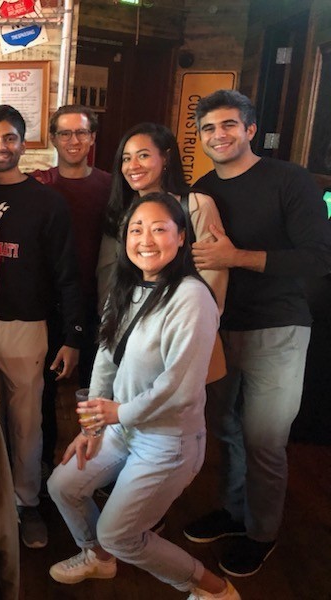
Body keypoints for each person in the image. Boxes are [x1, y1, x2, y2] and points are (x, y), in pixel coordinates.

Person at [47, 193, 239, 600]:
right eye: (136, 229)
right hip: (122, 428)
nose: (145, 239)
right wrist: (92, 425)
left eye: (158, 229)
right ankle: (97, 557)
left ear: (182, 237)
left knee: (120, 534)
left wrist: (118, 413)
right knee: (63, 485)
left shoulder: (191, 297)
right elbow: (104, 356)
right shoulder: (129, 286)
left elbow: (180, 388)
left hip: (168, 440)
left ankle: (213, 589)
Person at [185, 90, 331, 577]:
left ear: (250, 130)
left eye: (228, 125)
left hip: (280, 327)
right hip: (219, 326)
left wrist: (238, 258)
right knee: (224, 429)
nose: (218, 135)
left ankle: (261, 532)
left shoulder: (289, 179)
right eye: (208, 128)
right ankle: (233, 511)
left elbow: (319, 257)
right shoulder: (203, 189)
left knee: (264, 438)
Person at [0, 105, 83, 549]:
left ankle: (27, 503)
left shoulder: (47, 202)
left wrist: (73, 337)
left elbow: (68, 272)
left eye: (10, 138)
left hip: (27, 326)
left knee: (26, 423)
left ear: (24, 144)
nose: (1, 147)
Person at [30, 104, 112, 477]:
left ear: (93, 138)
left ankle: (92, 468)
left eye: (81, 133)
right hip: (49, 303)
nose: (74, 140)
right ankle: (46, 466)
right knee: (43, 390)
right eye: (65, 133)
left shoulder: (111, 187)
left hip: (100, 303)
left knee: (97, 389)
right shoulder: (40, 184)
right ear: (54, 139)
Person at [98, 122, 228, 312]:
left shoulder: (196, 205)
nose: (132, 166)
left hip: (182, 318)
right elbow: (108, 272)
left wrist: (204, 319)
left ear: (166, 158)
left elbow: (212, 270)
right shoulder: (121, 211)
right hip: (129, 319)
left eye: (143, 155)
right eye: (126, 159)